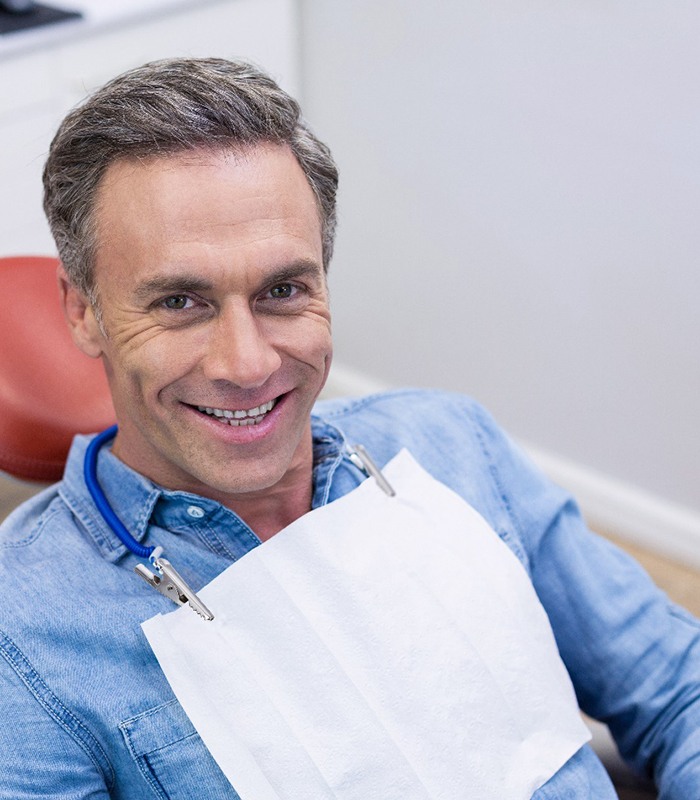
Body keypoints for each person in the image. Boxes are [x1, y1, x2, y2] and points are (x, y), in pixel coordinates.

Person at [0, 57, 698, 800]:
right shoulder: (25, 633)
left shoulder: (449, 443)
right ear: (83, 311)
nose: (247, 361)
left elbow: (679, 687)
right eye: (179, 301)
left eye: (282, 290)